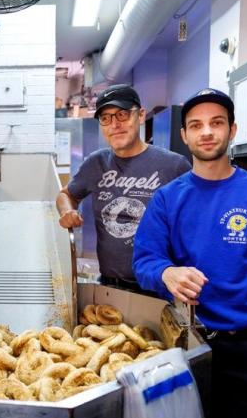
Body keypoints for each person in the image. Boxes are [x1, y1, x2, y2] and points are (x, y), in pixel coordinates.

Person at [132, 88, 247, 418]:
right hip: (188, 346)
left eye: (216, 123)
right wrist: (167, 272)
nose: (206, 132)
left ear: (232, 130)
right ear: (185, 135)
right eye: (196, 125)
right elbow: (145, 261)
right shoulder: (167, 199)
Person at [56, 84, 190, 292]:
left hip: (160, 287)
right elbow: (66, 194)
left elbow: (193, 225)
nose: (115, 124)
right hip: (111, 285)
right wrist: (67, 211)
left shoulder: (174, 165)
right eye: (106, 118)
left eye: (122, 115)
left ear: (141, 115)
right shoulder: (96, 163)